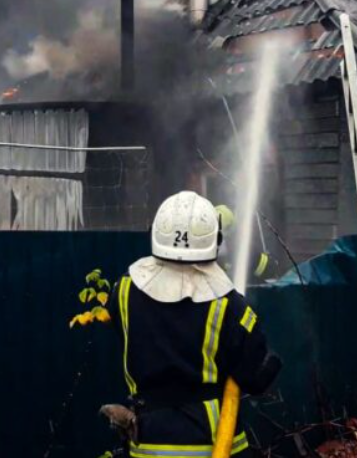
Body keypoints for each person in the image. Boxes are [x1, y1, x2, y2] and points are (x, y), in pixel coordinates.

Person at [107, 191, 282, 458]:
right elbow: (254, 377)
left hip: (147, 443)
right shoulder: (229, 305)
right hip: (214, 445)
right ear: (217, 241)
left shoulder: (123, 290)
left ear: (154, 234)